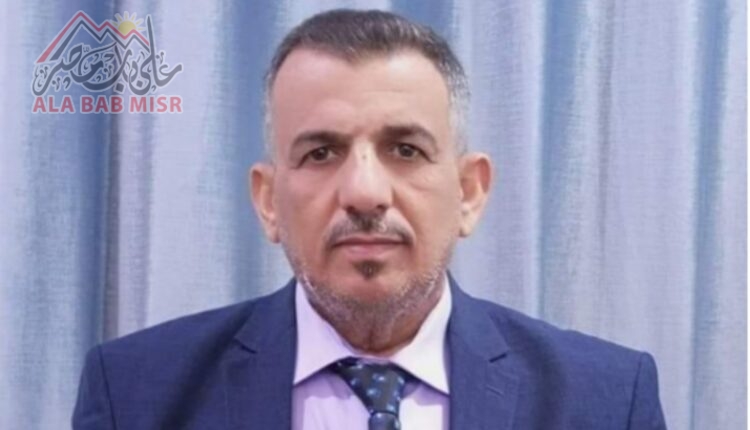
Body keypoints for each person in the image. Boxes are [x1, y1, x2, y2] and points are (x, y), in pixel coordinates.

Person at [72, 9, 667, 430]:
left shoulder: (606, 401)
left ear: (468, 193)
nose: (364, 193)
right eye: (320, 153)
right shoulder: (135, 395)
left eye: (405, 149)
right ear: (269, 201)